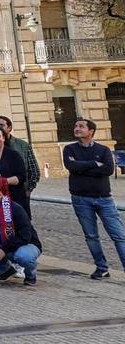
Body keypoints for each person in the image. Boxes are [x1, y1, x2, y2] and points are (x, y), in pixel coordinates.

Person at [64, 117, 125, 280]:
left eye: (81, 126)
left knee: (119, 235)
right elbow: (71, 166)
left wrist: (81, 167)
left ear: (90, 131)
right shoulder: (69, 149)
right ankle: (101, 268)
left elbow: (108, 170)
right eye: (76, 126)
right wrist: (93, 163)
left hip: (104, 199)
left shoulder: (103, 150)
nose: (77, 128)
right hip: (80, 199)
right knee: (91, 236)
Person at [0, 115, 41, 212]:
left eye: (1, 125)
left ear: (9, 128)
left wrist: (28, 190)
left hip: (19, 192)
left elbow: (34, 170)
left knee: (21, 220)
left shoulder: (23, 146)